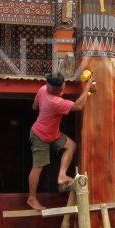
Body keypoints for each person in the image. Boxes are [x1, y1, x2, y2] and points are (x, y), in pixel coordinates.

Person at [27, 72, 93, 210]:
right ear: (61, 87)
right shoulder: (56, 102)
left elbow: (34, 107)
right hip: (40, 135)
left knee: (71, 145)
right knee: (38, 167)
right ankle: (32, 199)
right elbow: (78, 106)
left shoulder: (43, 90)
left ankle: (61, 176)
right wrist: (87, 88)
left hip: (52, 133)